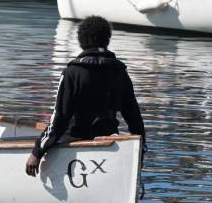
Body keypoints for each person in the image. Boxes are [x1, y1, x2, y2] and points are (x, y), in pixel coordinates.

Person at [25, 16, 146, 177]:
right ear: (107, 40)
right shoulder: (120, 72)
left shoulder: (72, 73)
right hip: (109, 139)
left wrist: (37, 151)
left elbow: (59, 119)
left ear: (81, 40)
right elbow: (134, 117)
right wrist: (141, 149)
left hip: (76, 139)